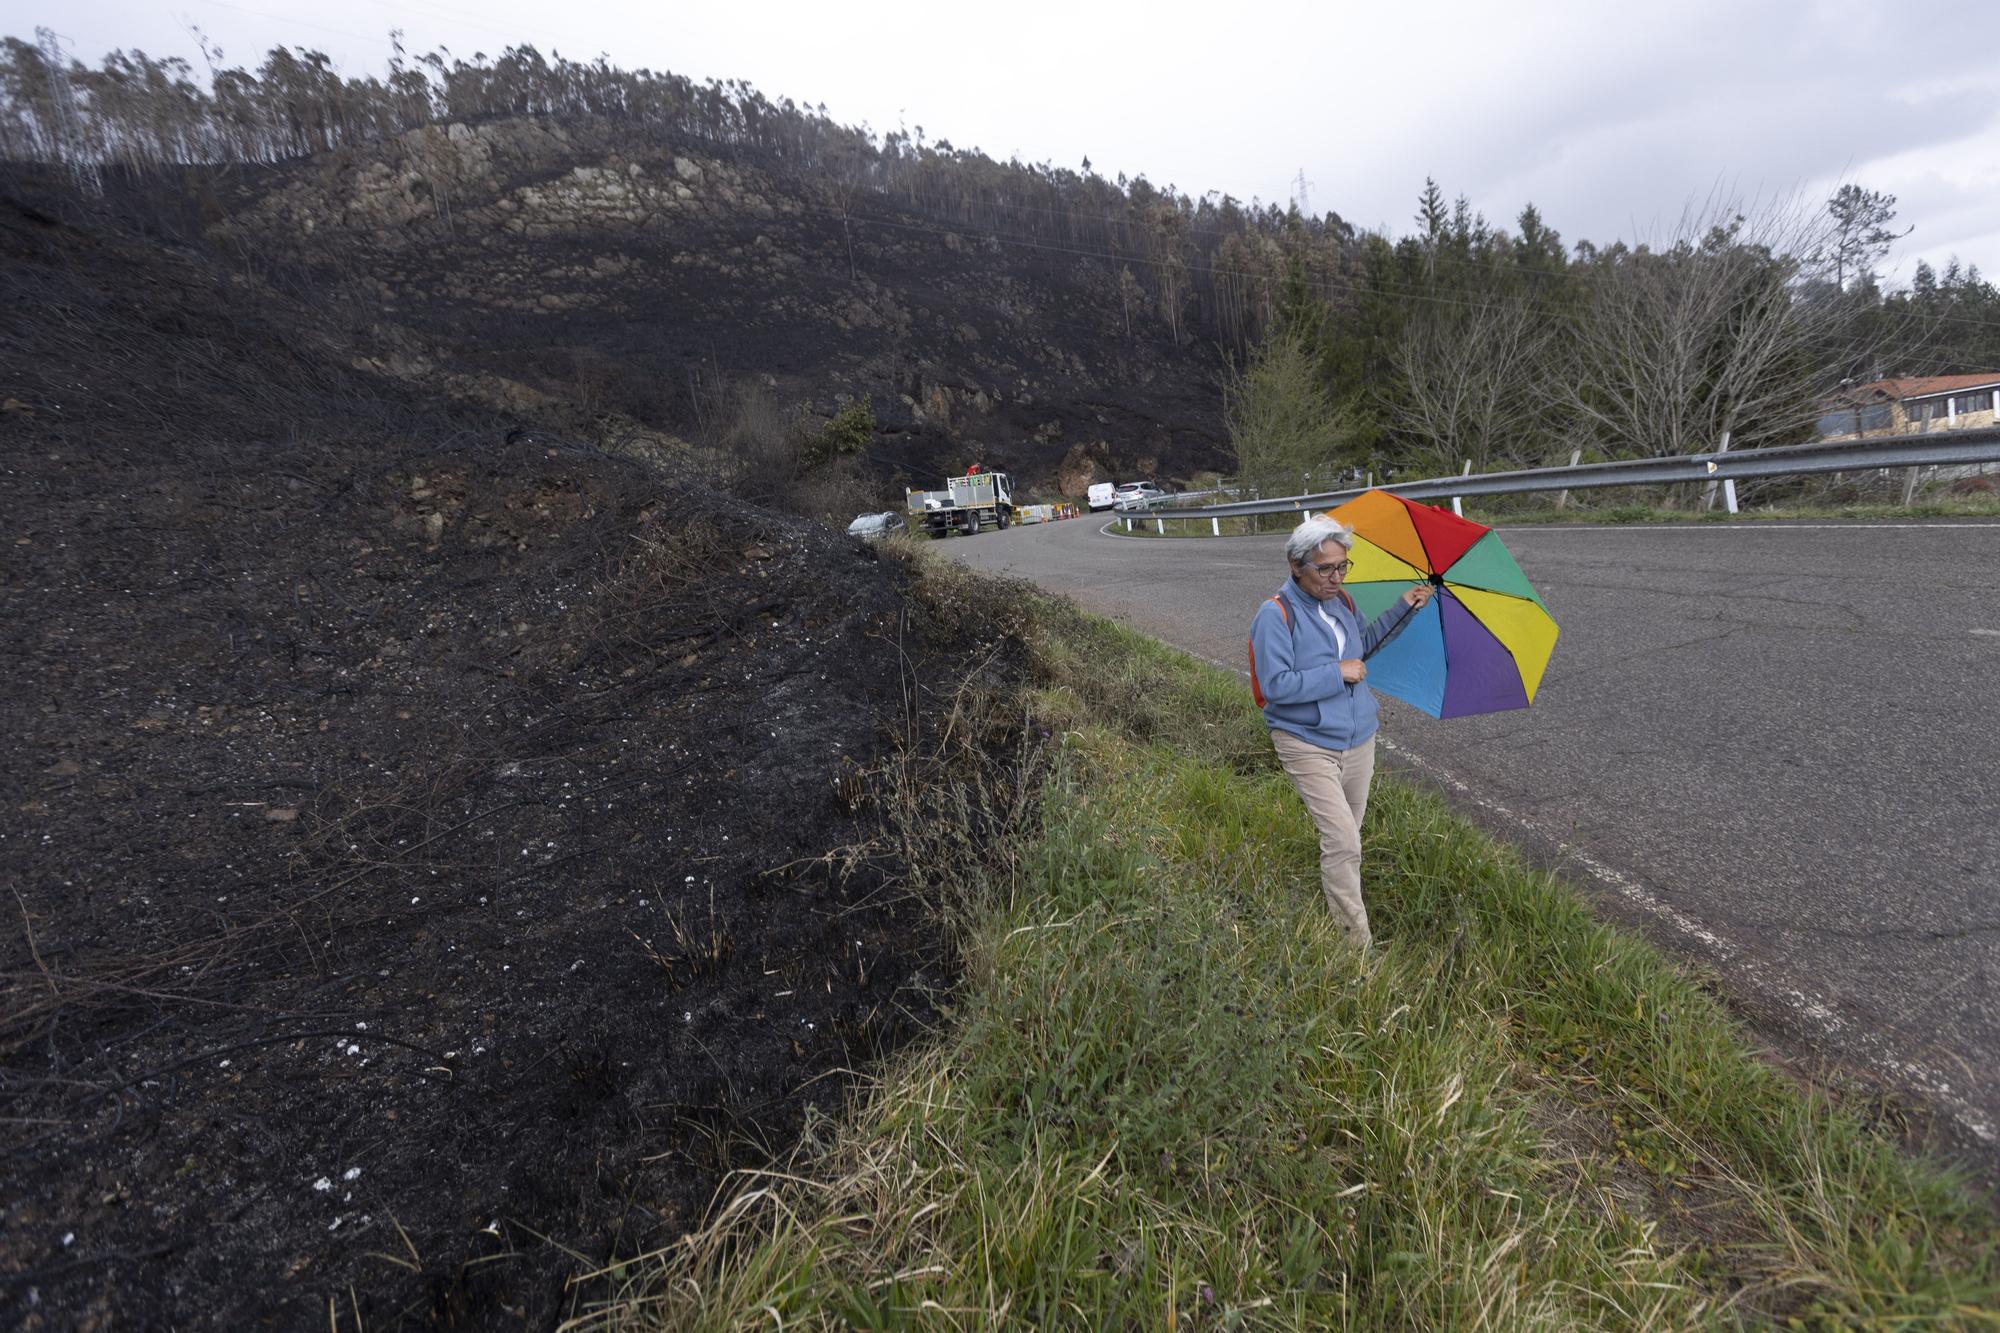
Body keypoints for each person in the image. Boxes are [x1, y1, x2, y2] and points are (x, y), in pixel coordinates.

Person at [1248, 515, 1434, 949]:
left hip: (1359, 738)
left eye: (1343, 566)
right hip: (1305, 741)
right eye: (1325, 568)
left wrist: (1404, 606)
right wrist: (1337, 673)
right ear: (1296, 566)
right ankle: (1356, 948)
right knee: (1344, 841)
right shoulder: (1274, 615)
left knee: (1350, 833)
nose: (1336, 577)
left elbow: (1361, 648)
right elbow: (1275, 686)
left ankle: (1341, 899)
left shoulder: (1342, 604)